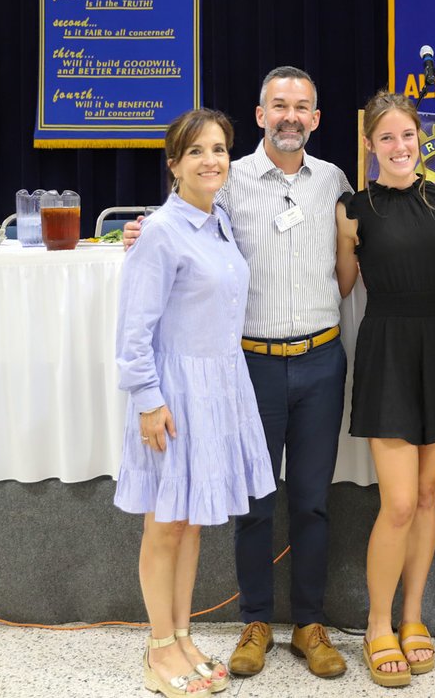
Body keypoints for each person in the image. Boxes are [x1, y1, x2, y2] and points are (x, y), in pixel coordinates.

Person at [123, 67, 353, 681]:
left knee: (311, 500)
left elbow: (348, 263)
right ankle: (253, 619)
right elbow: (175, 227)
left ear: (316, 118)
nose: (290, 116)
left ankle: (308, 622)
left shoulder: (333, 180)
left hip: (321, 358)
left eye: (302, 106)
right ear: (260, 115)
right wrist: (141, 227)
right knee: (254, 499)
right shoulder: (228, 184)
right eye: (279, 105)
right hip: (249, 363)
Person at [115, 108, 276, 697]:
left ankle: (182, 633)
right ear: (174, 164)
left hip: (219, 389)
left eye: (220, 149)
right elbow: (133, 331)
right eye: (197, 151)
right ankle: (158, 648)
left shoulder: (220, 223)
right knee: (164, 523)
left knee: (190, 522)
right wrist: (149, 401)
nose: (212, 160)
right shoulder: (160, 231)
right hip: (173, 394)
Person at [335, 91, 435, 688]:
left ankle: (414, 616)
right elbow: (340, 285)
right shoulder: (351, 207)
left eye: (407, 137)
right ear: (370, 145)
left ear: (422, 141)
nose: (398, 147)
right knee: (394, 503)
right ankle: (377, 624)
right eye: (386, 138)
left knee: (424, 497)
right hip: (386, 347)